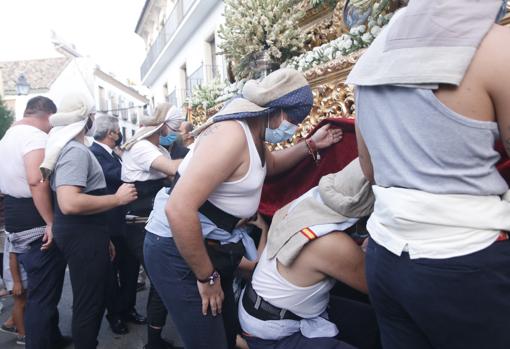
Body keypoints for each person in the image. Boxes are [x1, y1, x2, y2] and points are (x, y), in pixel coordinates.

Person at [347, 1, 510, 348]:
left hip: (385, 254)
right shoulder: (495, 46)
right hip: (464, 257)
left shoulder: (372, 56)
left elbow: (369, 169)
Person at [143, 68, 343, 349]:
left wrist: (309, 145)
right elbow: (178, 208)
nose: (294, 127)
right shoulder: (232, 135)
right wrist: (207, 277)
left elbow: (269, 166)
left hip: (212, 246)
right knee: (208, 340)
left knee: (225, 333)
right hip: (175, 250)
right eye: (294, 120)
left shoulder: (254, 133)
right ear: (277, 110)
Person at [239, 159, 380, 349]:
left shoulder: (306, 203)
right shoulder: (332, 244)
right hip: (272, 331)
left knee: (371, 323)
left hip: (261, 308)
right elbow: (379, 286)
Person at [41, 94, 137, 349]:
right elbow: (70, 203)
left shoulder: (72, 148)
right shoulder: (74, 150)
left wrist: (103, 237)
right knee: (89, 304)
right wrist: (117, 199)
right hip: (81, 234)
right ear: (86, 119)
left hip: (88, 234)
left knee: (94, 298)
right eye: (92, 115)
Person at [0, 96, 69, 349]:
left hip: (17, 220)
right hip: (36, 221)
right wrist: (50, 222)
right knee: (43, 296)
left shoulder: (7, 137)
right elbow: (36, 180)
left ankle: (53, 338)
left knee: (42, 292)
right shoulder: (35, 137)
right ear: (49, 116)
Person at [121, 102, 182, 349]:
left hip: (156, 221)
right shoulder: (142, 147)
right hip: (139, 224)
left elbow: (172, 175)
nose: (175, 133)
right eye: (173, 128)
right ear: (163, 125)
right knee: (160, 279)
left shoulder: (158, 149)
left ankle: (155, 337)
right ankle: (153, 342)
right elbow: (172, 170)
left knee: (162, 279)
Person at [90, 114, 137, 335]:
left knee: (129, 270)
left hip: (123, 222)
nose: (120, 135)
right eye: (118, 131)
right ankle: (115, 315)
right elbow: (118, 176)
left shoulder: (111, 153)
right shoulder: (95, 154)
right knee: (112, 275)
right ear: (111, 133)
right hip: (110, 224)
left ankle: (128, 309)